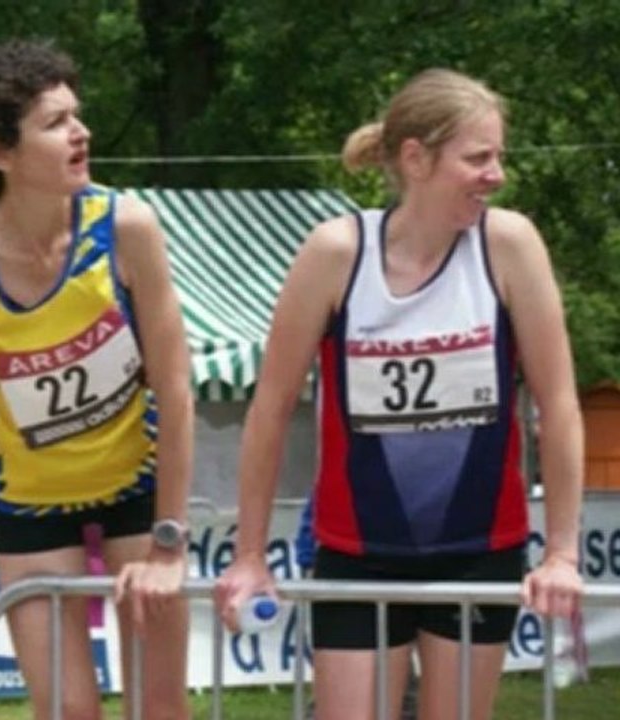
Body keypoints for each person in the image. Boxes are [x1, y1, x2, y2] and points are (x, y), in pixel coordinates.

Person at [215, 68, 583, 720]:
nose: (495, 173)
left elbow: (557, 405)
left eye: (498, 155)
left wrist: (560, 553)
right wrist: (248, 556)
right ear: (416, 159)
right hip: (357, 553)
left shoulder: (508, 245)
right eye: (478, 157)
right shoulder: (334, 252)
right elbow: (269, 410)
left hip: (478, 551)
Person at [0, 39, 193, 720]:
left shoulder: (127, 225)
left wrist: (170, 540)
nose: (82, 134)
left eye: (76, 116)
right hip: (31, 506)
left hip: (138, 491)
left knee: (158, 709)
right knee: (68, 711)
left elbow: (177, 387)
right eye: (55, 123)